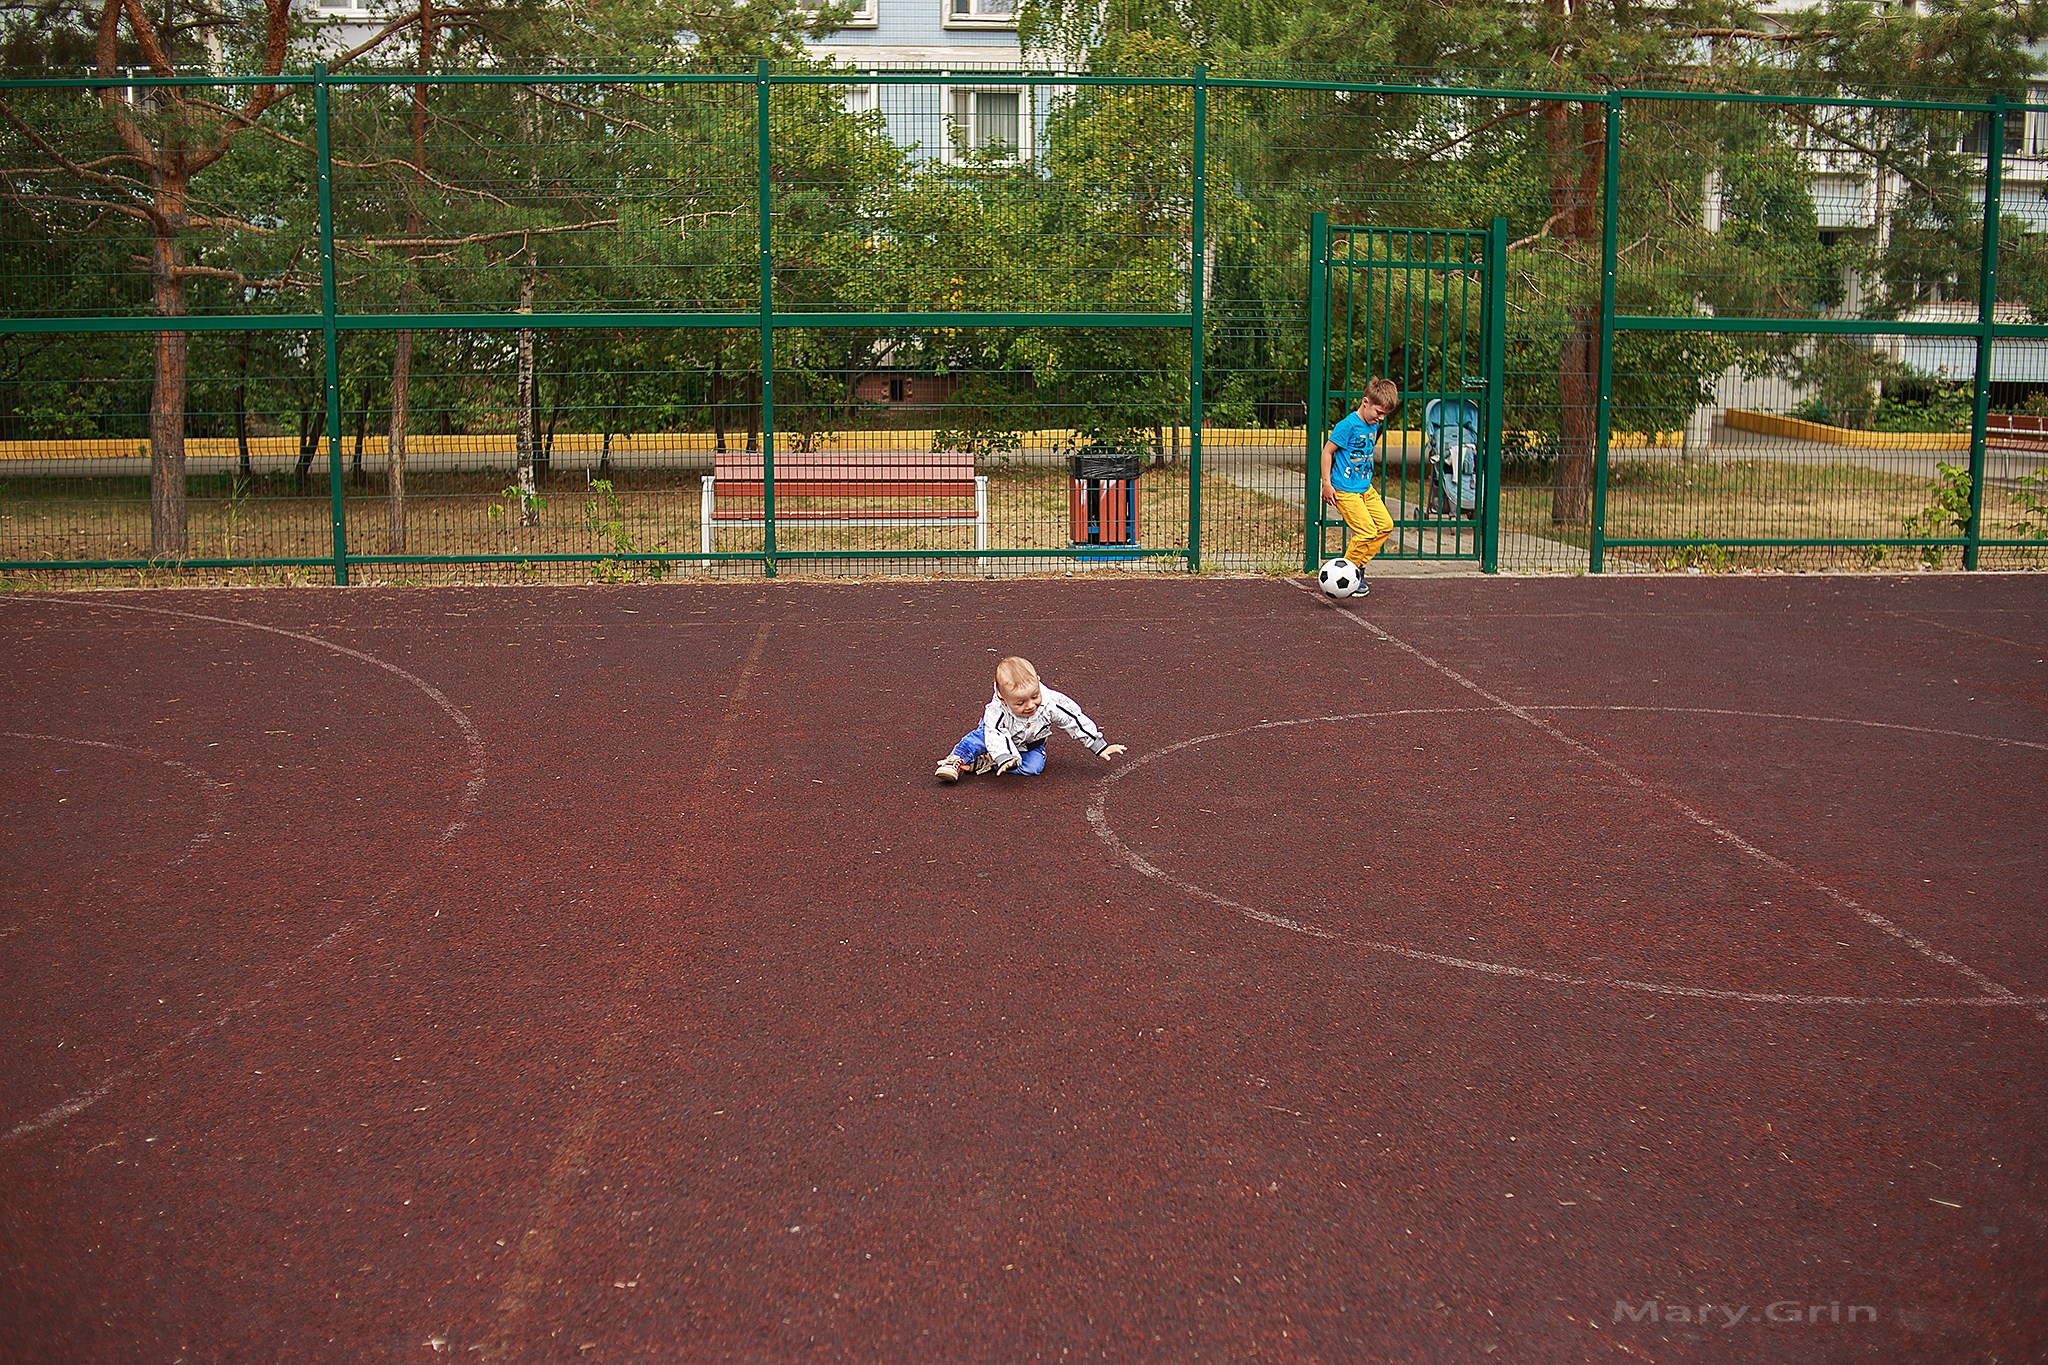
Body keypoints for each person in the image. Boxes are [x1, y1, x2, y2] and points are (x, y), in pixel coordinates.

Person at [935, 655, 1126, 782]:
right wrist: (1003, 753)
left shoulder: (1051, 701)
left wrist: (1098, 744)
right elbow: (996, 735)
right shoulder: (996, 711)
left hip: (1030, 743)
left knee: (1033, 768)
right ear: (1003, 698)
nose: (1030, 706)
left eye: (1034, 696)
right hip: (997, 735)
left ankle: (989, 761)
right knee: (979, 739)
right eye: (1019, 703)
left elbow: (1074, 720)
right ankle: (956, 759)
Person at [1321, 377, 1402, 593]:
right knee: (1366, 531)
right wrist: (1326, 484)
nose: (1381, 418)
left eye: (1385, 414)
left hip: (1365, 488)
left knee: (1385, 525)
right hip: (1345, 489)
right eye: (1379, 412)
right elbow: (1327, 452)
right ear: (1365, 401)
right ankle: (1347, 572)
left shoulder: (1373, 425)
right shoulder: (1347, 426)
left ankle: (1357, 566)